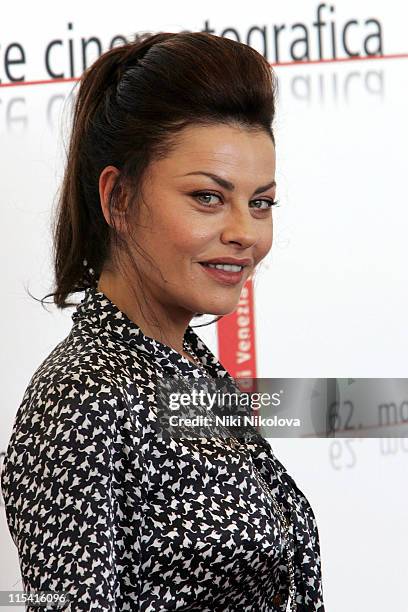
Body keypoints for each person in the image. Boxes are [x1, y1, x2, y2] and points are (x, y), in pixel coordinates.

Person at [0, 31, 325, 611]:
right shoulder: (79, 402)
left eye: (261, 202)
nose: (245, 233)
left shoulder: (190, 370)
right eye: (207, 197)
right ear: (118, 199)